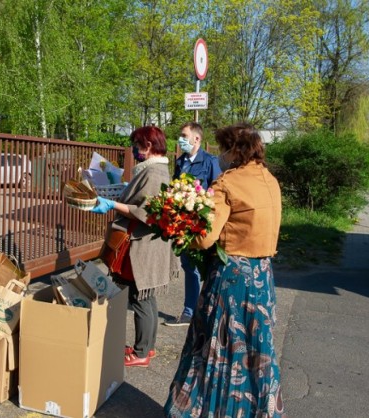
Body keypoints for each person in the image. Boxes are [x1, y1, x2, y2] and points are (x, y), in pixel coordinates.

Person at [164, 123, 284, 417]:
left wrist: (180, 229)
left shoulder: (228, 184)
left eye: (222, 148)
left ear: (234, 150)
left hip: (231, 280)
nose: (220, 155)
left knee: (213, 351)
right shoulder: (270, 180)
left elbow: (206, 239)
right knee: (257, 353)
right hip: (262, 280)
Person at [92, 126, 178, 367]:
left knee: (140, 297)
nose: (133, 149)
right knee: (146, 298)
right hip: (145, 243)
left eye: (135, 145)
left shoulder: (154, 172)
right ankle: (146, 348)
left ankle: (140, 353)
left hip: (143, 245)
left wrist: (112, 204)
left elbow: (145, 212)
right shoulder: (154, 169)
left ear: (147, 146)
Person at [164, 121, 221, 327]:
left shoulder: (210, 162)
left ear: (196, 138)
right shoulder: (180, 162)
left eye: (183, 135)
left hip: (203, 225)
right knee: (189, 267)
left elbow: (218, 195)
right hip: (184, 226)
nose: (180, 139)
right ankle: (190, 312)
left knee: (206, 268)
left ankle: (208, 311)